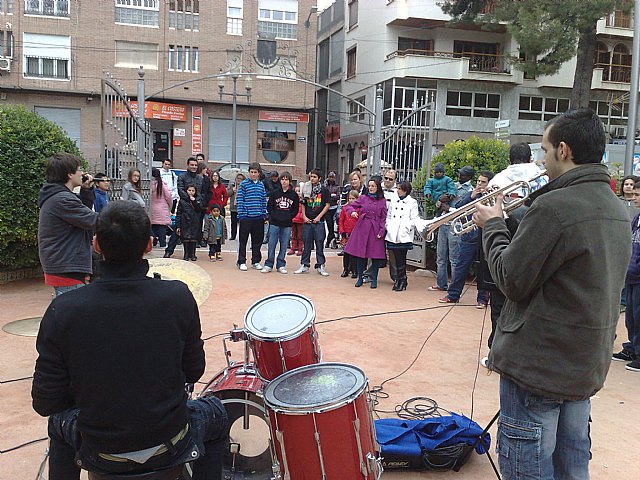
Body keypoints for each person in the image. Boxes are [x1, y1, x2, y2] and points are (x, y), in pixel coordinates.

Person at [473, 108, 630, 479]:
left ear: (563, 150)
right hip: (582, 364)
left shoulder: (554, 206)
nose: (541, 159)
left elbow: (510, 278)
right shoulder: (616, 208)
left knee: (528, 466)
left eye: (544, 150)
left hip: (538, 364)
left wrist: (494, 225)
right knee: (572, 464)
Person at [32, 201, 228, 480]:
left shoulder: (63, 309)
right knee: (216, 414)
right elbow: (194, 370)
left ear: (96, 245)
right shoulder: (178, 297)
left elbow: (45, 402)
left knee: (58, 424)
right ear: (149, 245)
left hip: (99, 448)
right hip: (168, 442)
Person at [38, 152, 97, 297]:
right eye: (79, 170)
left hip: (62, 263)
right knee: (74, 314)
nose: (82, 173)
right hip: (66, 265)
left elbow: (81, 216)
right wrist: (121, 217)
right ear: (70, 174)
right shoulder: (63, 199)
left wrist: (86, 190)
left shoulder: (58, 195)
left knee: (70, 310)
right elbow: (92, 220)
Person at [439, 171, 494, 306]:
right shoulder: (471, 194)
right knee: (461, 265)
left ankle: (482, 299)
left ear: (489, 184)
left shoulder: (493, 196)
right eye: (478, 181)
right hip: (469, 235)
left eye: (483, 182)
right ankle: (453, 295)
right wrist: (472, 196)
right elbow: (458, 207)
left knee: (484, 268)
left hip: (485, 236)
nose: (479, 184)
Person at [613, 180, 640, 371]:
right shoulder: (636, 218)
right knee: (630, 315)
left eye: (638, 195)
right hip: (630, 274)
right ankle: (632, 347)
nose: (635, 198)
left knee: (638, 315)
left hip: (638, 275)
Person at [344, 177, 387, 288]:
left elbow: (383, 217)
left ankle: (374, 279)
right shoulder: (363, 198)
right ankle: (359, 278)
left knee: (375, 255)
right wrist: (352, 212)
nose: (371, 188)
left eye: (373, 186)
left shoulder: (382, 201)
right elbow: (349, 206)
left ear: (378, 187)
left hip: (375, 228)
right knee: (360, 254)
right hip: (362, 228)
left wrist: (382, 230)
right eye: (369, 186)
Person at [425, 163, 458, 292]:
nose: (438, 174)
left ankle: (454, 286)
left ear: (443, 172)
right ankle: (441, 284)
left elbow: (451, 189)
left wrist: (449, 195)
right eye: (437, 172)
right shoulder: (432, 181)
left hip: (447, 206)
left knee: (453, 258)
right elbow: (427, 187)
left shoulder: (448, 180)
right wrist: (428, 194)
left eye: (440, 172)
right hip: (437, 204)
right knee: (441, 257)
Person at [164, 157, 206, 258]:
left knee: (195, 231)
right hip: (184, 205)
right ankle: (169, 251)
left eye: (195, 165)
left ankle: (191, 254)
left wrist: (196, 200)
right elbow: (180, 190)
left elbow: (201, 192)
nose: (194, 167)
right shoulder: (182, 177)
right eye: (192, 165)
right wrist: (189, 198)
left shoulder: (200, 178)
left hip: (196, 207)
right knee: (177, 231)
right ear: (188, 165)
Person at [294, 169, 331, 276]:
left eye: (315, 177)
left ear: (319, 178)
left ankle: (320, 265)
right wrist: (304, 216)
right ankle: (304, 264)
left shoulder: (324, 190)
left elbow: (327, 204)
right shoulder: (306, 188)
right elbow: (303, 203)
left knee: (319, 243)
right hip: (308, 221)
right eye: (311, 177)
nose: (312, 179)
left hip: (319, 221)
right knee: (306, 243)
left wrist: (319, 217)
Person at [385, 181, 419, 291]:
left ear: (405, 190)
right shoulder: (394, 201)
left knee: (402, 257)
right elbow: (389, 215)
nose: (397, 190)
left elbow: (414, 218)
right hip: (393, 232)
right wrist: (388, 226)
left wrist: (406, 228)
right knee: (395, 257)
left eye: (399, 188)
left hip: (404, 234)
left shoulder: (412, 202)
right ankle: (400, 279)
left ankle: (402, 278)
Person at [262, 171, 299, 274]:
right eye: (282, 179)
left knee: (283, 245)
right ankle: (269, 264)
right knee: (271, 244)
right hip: (274, 223)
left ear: (290, 181)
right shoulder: (275, 193)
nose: (284, 181)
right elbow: (269, 206)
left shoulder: (293, 195)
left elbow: (295, 209)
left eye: (286, 179)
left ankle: (281, 264)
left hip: (287, 224)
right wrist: (274, 216)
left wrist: (288, 217)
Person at [236, 162, 267, 271]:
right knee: (243, 241)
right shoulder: (244, 184)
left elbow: (263, 200)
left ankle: (256, 261)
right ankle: (241, 261)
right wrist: (242, 214)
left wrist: (264, 214)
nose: (253, 174)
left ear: (259, 173)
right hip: (246, 218)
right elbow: (240, 199)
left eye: (255, 172)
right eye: (251, 172)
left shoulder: (261, 185)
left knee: (257, 241)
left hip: (258, 217)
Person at [176, 184, 202, 261]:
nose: (191, 192)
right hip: (185, 221)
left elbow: (199, 209)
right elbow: (178, 213)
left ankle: (193, 254)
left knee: (193, 239)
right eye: (189, 190)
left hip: (194, 221)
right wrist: (178, 225)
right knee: (185, 239)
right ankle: (186, 253)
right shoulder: (182, 201)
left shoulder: (198, 199)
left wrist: (194, 202)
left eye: (193, 190)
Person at [382, 169, 399, 281]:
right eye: (386, 178)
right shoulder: (378, 188)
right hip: (379, 221)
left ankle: (395, 276)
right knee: (373, 247)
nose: (387, 180)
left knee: (392, 251)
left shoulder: (398, 191)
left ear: (395, 180)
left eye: (390, 179)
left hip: (392, 223)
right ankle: (368, 273)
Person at [150, 167, 173, 248]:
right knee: (162, 227)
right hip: (162, 208)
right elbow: (168, 196)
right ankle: (162, 243)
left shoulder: (148, 184)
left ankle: (153, 240)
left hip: (151, 208)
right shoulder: (162, 184)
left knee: (152, 226)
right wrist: (169, 205)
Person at [324, 171, 340, 248]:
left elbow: (338, 196)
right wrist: (331, 196)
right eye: (330, 177)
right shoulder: (325, 186)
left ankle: (330, 238)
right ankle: (331, 237)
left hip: (334, 207)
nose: (331, 179)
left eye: (332, 177)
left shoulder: (337, 186)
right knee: (329, 224)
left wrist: (331, 197)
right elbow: (324, 196)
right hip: (326, 208)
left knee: (333, 225)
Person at [287, 185, 305, 256]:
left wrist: (301, 216)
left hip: (300, 220)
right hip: (293, 219)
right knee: (293, 235)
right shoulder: (293, 199)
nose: (297, 193)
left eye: (299, 191)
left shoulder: (302, 200)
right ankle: (293, 248)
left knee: (300, 235)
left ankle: (300, 248)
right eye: (296, 191)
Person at [227, 172, 245, 241]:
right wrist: (232, 190)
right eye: (238, 178)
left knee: (242, 224)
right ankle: (233, 235)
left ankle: (241, 236)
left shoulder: (244, 187)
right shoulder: (232, 186)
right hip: (233, 208)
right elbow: (227, 194)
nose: (239, 180)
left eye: (240, 179)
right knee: (233, 223)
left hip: (241, 208)